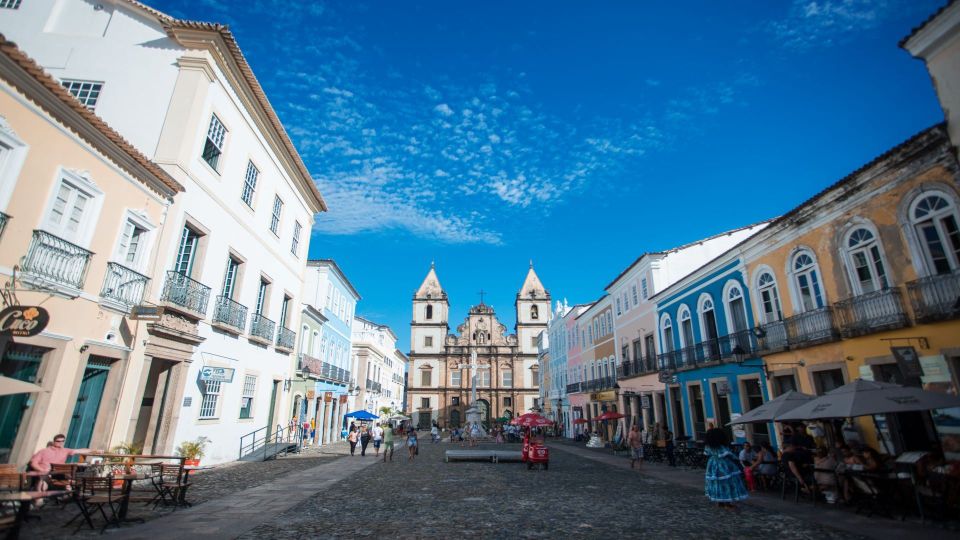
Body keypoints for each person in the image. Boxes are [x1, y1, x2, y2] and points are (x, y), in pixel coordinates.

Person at [703, 427, 748, 509]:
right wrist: (736, 460)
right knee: (727, 483)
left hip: (712, 464)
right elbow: (729, 454)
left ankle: (720, 502)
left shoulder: (709, 446)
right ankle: (727, 503)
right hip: (723, 464)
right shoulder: (721, 447)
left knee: (717, 483)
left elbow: (706, 453)